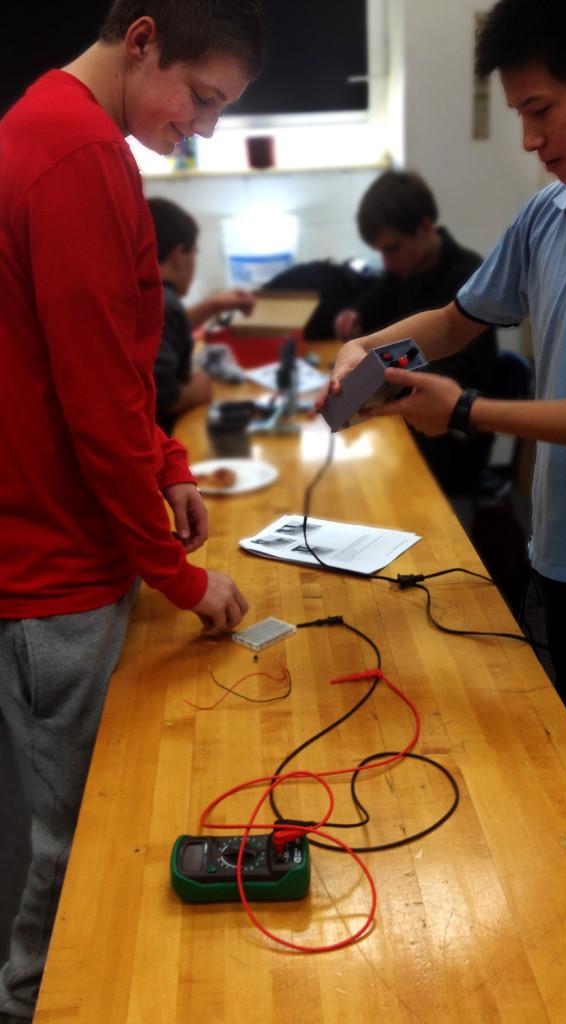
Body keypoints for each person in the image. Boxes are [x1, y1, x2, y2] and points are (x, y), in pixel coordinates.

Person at [322, 0, 566, 874]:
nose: (529, 139)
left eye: (540, 111)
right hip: (557, 569)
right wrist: (366, 350)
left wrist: (465, 413)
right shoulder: (550, 215)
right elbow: (456, 322)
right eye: (520, 115)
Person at [0, 2, 264, 1019]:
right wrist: (184, 576)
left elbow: (113, 362)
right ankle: (32, 1001)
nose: (201, 125)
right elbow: (88, 403)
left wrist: (169, 462)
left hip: (84, 554)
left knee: (103, 833)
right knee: (83, 852)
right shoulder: (67, 152)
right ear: (143, 39)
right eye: (200, 98)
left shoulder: (82, 144)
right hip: (56, 572)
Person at [336, 170, 499, 493]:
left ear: (425, 228)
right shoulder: (406, 267)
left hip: (450, 440)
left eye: (391, 249)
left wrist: (381, 374)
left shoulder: (469, 277)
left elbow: (458, 373)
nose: (386, 261)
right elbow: (375, 301)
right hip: (408, 419)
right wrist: (355, 315)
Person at [147, 195, 255, 433]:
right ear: (178, 256)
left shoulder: (147, 296)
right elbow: (160, 396)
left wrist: (214, 305)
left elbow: (162, 329)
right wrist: (193, 392)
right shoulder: (164, 302)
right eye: (194, 252)